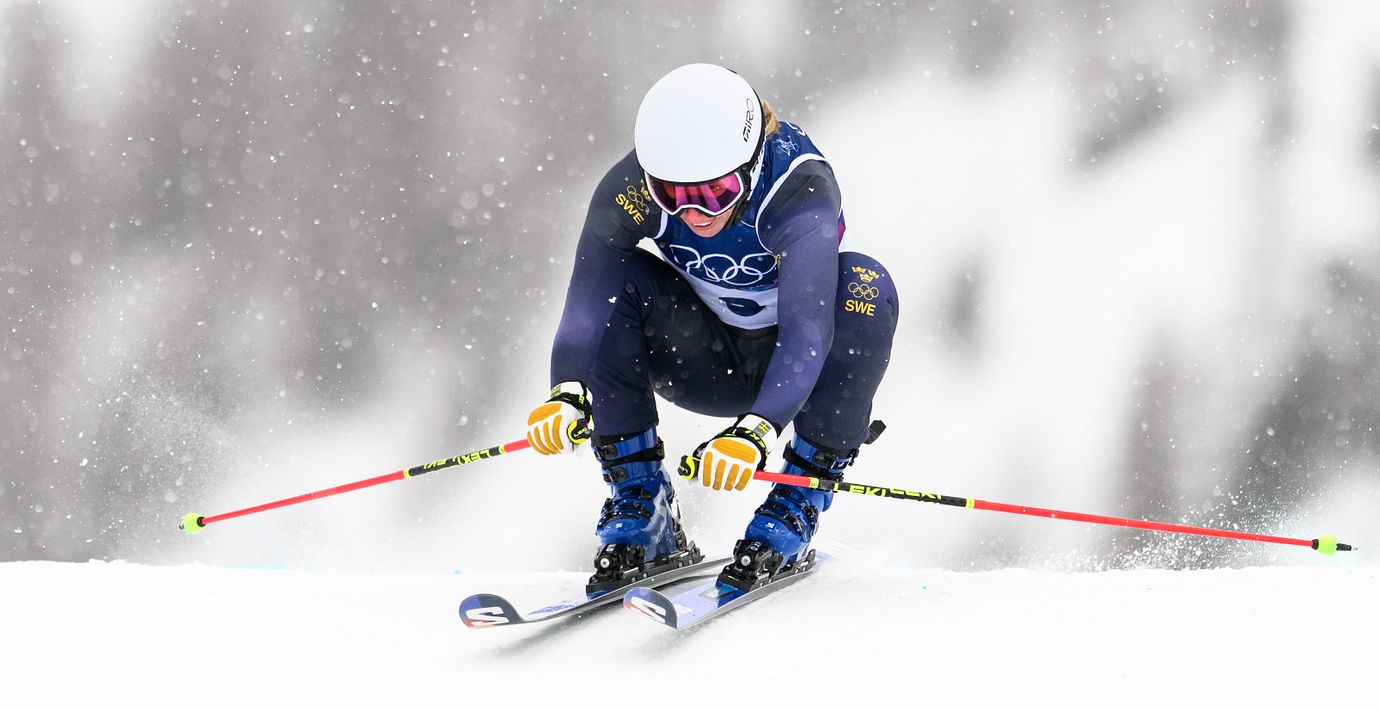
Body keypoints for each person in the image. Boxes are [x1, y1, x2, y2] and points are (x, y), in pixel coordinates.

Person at [524, 63, 898, 593]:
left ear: (752, 162)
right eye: (672, 196)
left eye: (717, 192)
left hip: (798, 374)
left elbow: (808, 332)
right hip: (703, 365)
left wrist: (757, 429)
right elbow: (587, 298)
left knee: (866, 285)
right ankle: (644, 505)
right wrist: (566, 388)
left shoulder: (798, 190)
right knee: (619, 278)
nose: (696, 213)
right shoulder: (630, 188)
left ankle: (796, 501)